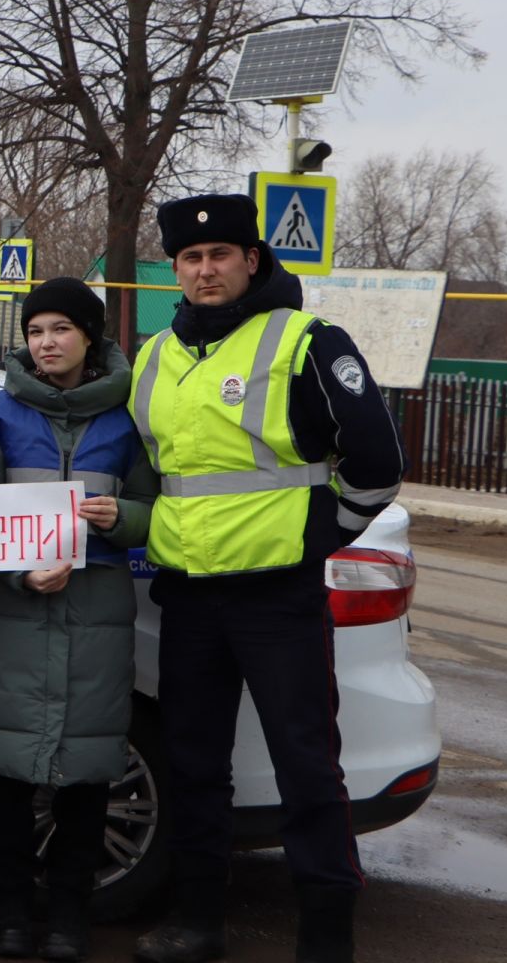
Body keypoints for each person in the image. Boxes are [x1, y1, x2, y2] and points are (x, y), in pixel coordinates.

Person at [129, 195, 405, 963]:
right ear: (174, 270)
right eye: (191, 258)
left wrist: (322, 537)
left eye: (221, 255)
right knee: (193, 764)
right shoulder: (156, 355)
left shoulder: (307, 341)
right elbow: (149, 472)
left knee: (306, 767)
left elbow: (378, 465)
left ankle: (324, 939)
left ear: (253, 260)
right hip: (188, 596)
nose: (205, 269)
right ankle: (197, 922)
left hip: (278, 597)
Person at [0, 276, 158, 961]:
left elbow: (154, 512)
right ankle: (12, 913)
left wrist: (122, 517)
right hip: (15, 614)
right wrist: (20, 570)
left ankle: (70, 916)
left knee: (87, 775)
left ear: (89, 339)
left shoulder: (128, 419)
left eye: (60, 330)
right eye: (36, 330)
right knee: (6, 777)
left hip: (96, 617)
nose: (46, 343)